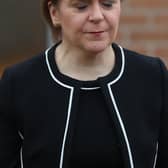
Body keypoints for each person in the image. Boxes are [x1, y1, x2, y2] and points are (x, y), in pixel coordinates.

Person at [0, 0, 167, 167]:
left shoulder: (152, 76)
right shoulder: (18, 83)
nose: (97, 16)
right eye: (81, 6)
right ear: (55, 13)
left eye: (108, 4)